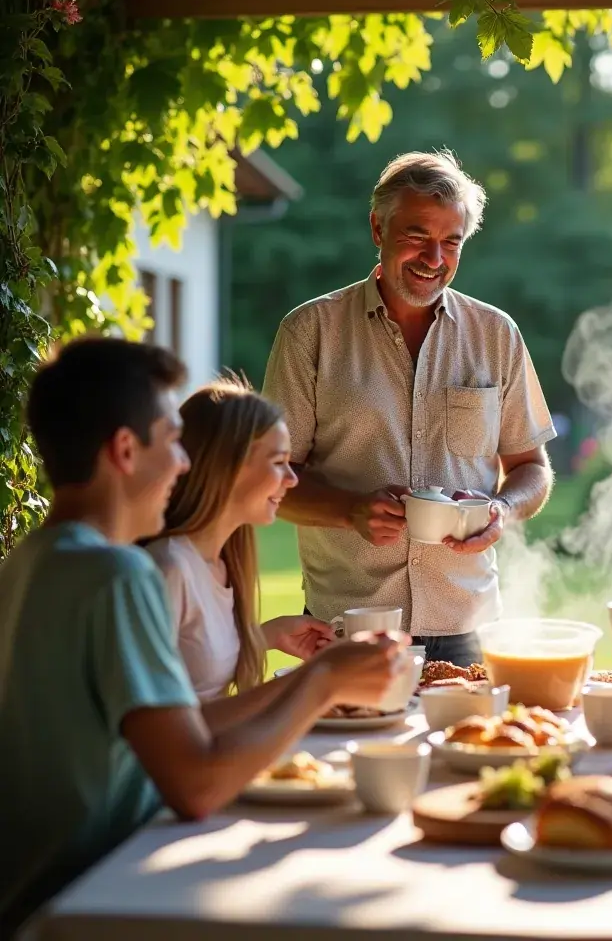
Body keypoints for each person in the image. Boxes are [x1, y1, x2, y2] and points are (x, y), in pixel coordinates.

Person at [0, 338, 406, 936]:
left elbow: (181, 729)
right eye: (172, 442)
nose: (186, 463)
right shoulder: (118, 576)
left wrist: (315, 674)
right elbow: (195, 785)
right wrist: (321, 682)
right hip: (93, 896)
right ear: (124, 451)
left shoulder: (30, 560)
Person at [263, 149, 556, 665]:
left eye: (451, 242)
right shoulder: (310, 332)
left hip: (471, 627)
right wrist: (349, 512)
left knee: (471, 746)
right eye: (417, 236)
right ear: (378, 229)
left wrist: (502, 511)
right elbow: (272, 480)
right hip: (351, 625)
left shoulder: (496, 335)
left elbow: (532, 468)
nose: (434, 258)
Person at [146, 376, 335, 701]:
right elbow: (159, 726)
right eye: (279, 463)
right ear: (226, 468)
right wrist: (317, 685)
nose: (292, 480)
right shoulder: (169, 569)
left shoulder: (221, 561)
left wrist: (265, 637)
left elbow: (198, 666)